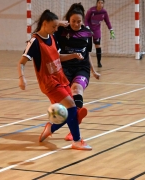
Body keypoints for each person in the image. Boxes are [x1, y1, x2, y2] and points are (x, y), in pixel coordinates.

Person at [17, 9, 92, 150]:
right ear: (44, 24)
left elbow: (57, 57)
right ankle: (76, 141)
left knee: (70, 110)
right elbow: (21, 62)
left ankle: (51, 128)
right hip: (49, 82)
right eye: (54, 27)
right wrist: (22, 78)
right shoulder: (34, 41)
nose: (56, 29)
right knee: (71, 105)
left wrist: (74, 55)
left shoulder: (51, 38)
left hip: (60, 78)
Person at [54, 3, 101, 141]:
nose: (76, 24)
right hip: (65, 68)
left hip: (82, 67)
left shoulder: (87, 33)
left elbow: (88, 54)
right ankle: (72, 125)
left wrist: (93, 71)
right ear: (69, 19)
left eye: (79, 21)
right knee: (67, 102)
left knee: (77, 88)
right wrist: (58, 23)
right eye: (73, 21)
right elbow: (46, 28)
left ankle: (74, 129)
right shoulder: (61, 31)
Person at [84, 0, 115, 68]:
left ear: (103, 4)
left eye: (102, 3)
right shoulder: (91, 10)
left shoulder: (104, 12)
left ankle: (99, 62)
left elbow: (107, 21)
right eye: (99, 2)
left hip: (96, 30)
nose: (100, 4)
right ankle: (86, 62)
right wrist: (87, 28)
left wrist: (111, 30)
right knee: (88, 47)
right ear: (96, 3)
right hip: (89, 29)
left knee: (98, 46)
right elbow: (86, 19)